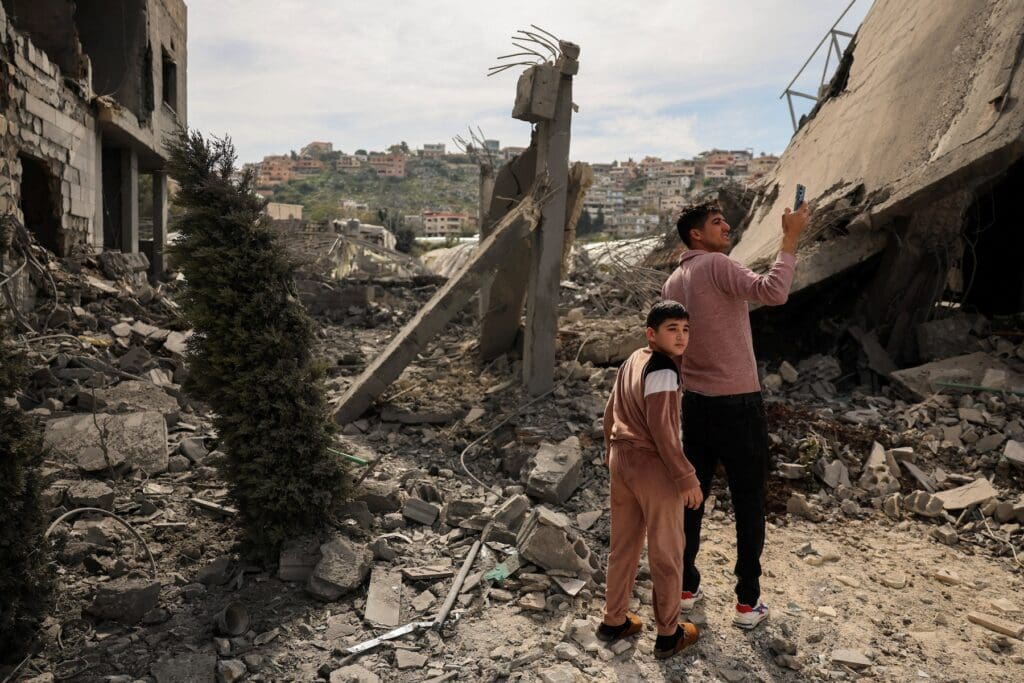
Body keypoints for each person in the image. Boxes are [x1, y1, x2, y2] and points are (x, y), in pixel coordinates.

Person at [661, 199, 809, 630]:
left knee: (692, 497)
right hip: (738, 404)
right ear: (696, 235)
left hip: (696, 404)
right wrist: (790, 237)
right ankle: (747, 602)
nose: (726, 226)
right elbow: (773, 292)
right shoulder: (717, 265)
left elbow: (668, 348)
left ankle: (686, 588)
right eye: (716, 221)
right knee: (748, 501)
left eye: (725, 219)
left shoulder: (673, 282)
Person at [598, 301, 704, 659]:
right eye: (672, 328)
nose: (681, 336)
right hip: (652, 466)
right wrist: (686, 476)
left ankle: (614, 620)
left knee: (623, 546)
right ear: (651, 333)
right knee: (667, 552)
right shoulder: (662, 369)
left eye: (686, 329)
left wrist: (610, 453)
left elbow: (610, 411)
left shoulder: (633, 360)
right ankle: (669, 634)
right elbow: (663, 431)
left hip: (621, 459)